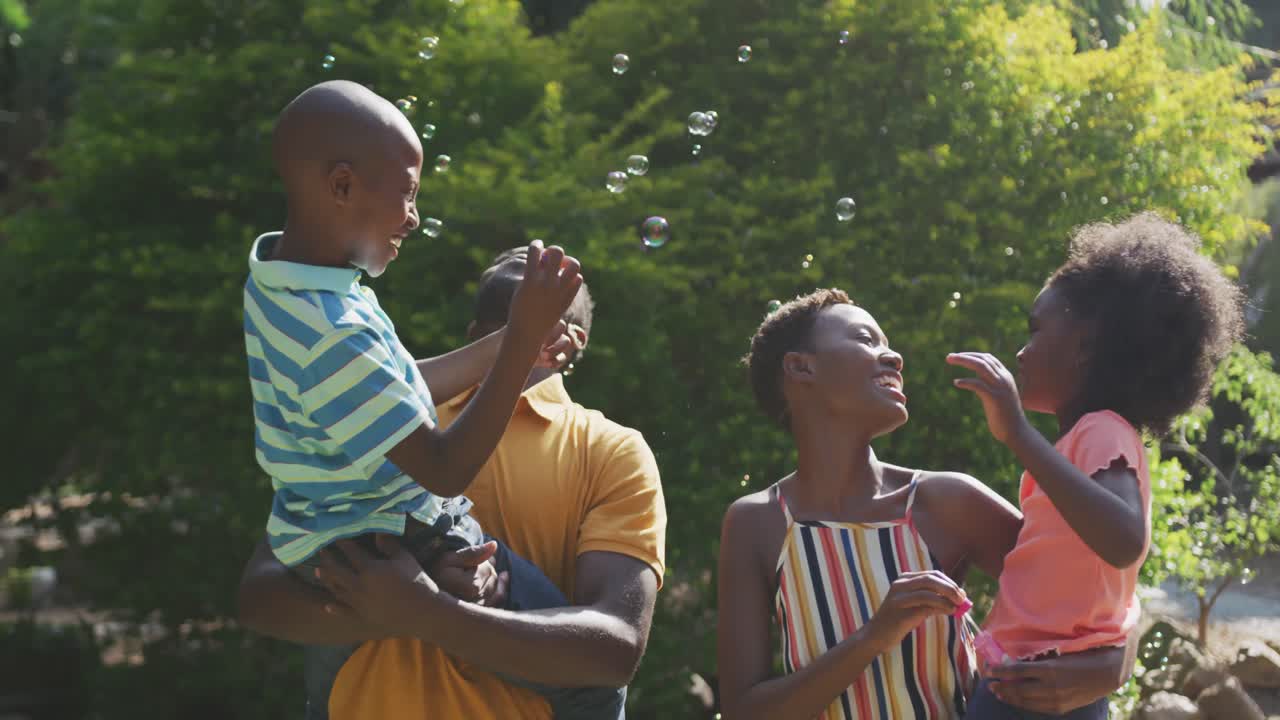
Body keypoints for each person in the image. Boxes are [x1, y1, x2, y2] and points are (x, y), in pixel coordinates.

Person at [244, 79, 623, 718]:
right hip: (394, 540)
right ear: (342, 187)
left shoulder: (300, 289)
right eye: (408, 195)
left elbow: (400, 384)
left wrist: (512, 346)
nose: (414, 217)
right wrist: (523, 336)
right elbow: (445, 466)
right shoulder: (330, 331)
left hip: (341, 538)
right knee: (591, 677)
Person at [237, 246, 667, 720]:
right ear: (473, 338)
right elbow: (259, 597)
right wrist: (395, 608)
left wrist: (427, 612)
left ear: (571, 341)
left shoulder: (611, 449)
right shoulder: (390, 419)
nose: (527, 255)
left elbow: (616, 649)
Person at [717, 288, 1136, 720]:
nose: (894, 356)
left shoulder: (949, 501)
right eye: (866, 339)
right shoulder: (757, 523)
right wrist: (873, 638)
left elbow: (1097, 586)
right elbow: (743, 711)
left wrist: (1115, 663)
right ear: (801, 367)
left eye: (887, 343)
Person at [949, 213, 1244, 719]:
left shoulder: (1103, 431)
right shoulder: (1079, 442)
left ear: (1087, 346)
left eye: (1036, 329)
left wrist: (1018, 434)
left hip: (1045, 692)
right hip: (1030, 681)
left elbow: (1125, 539)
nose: (1021, 352)